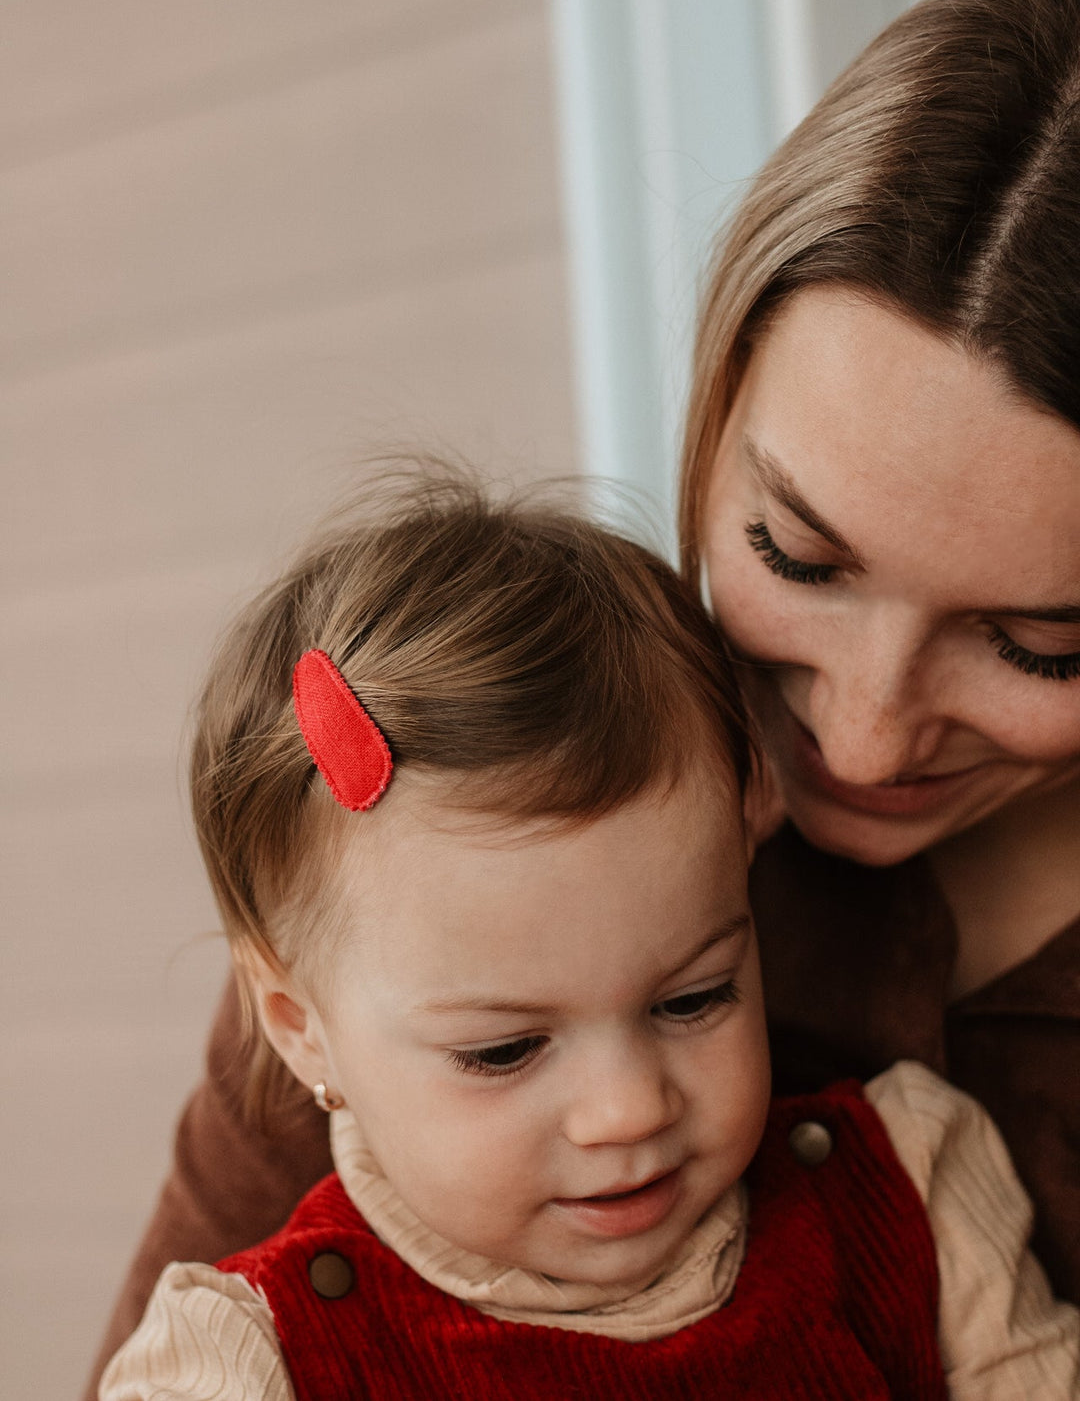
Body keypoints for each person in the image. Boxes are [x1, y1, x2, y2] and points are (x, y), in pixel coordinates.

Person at [84, 0, 1080, 1393]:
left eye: (1038, 643)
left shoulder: (915, 1180)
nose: (855, 744)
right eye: (798, 557)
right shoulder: (445, 828)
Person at [99, 476, 1077, 1398]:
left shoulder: (907, 1196)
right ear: (297, 1026)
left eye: (692, 998)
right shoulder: (245, 1361)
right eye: (504, 1050)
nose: (627, 1110)